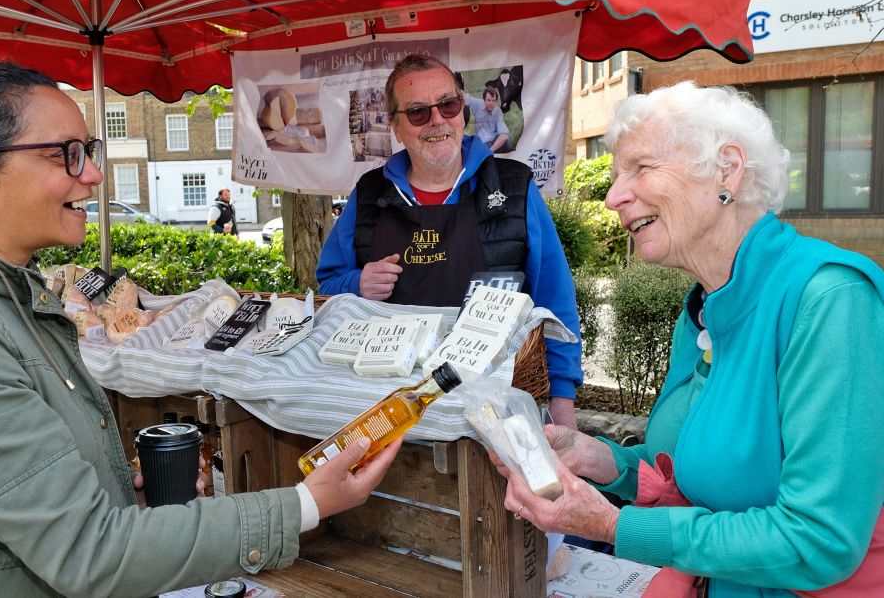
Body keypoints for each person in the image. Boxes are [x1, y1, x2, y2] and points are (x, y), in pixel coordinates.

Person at [0, 40, 401, 597]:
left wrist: (123, 495)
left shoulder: (6, 294)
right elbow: (89, 553)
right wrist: (307, 503)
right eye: (65, 154)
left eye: (89, 150)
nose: (92, 177)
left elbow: (27, 507)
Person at [495, 81, 884, 598]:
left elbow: (819, 543)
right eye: (615, 176)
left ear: (727, 169)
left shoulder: (829, 298)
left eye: (641, 168)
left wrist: (614, 528)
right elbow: (696, 480)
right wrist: (598, 460)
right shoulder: (704, 307)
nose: (613, 197)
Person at [317, 54, 582, 430]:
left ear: (462, 111)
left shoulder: (515, 187)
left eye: (447, 104)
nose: (437, 120)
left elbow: (556, 302)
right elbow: (327, 289)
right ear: (395, 125)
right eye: (418, 112)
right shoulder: (368, 195)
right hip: (388, 413)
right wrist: (356, 283)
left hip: (493, 411)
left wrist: (564, 402)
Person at [465, 86, 511, 153]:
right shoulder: (478, 104)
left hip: (493, 142)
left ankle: (490, 152)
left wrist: (490, 151)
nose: (491, 103)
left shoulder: (498, 111)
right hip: (481, 142)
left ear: (496, 101)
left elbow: (505, 136)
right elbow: (465, 97)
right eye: (489, 100)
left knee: (507, 141)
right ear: (484, 100)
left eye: (493, 100)